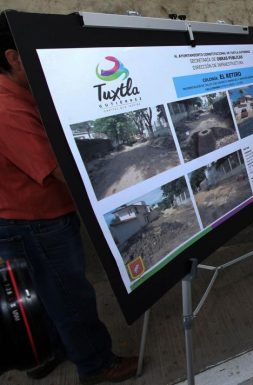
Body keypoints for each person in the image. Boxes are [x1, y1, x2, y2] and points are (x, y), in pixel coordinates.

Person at [0, 32, 138, 384]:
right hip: (36, 221)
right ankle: (96, 365)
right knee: (68, 295)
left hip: (27, 215)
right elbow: (60, 171)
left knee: (42, 293)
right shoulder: (7, 107)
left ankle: (48, 352)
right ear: (14, 57)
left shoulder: (20, 94)